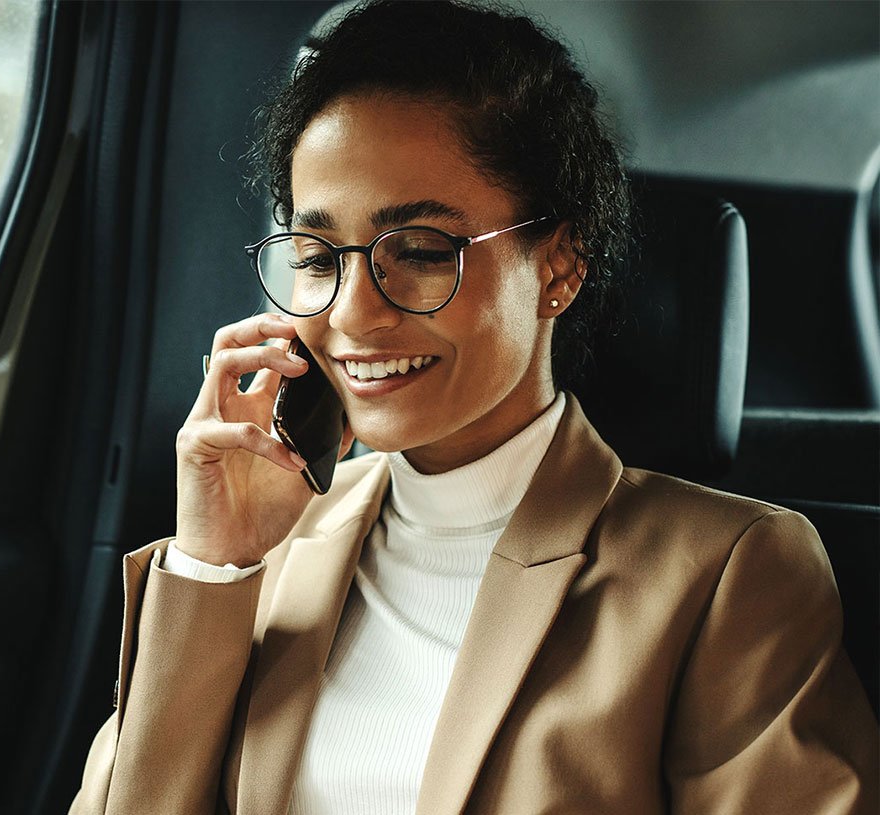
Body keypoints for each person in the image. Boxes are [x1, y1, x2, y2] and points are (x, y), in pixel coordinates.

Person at [70, 2, 878, 813]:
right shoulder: (266, 546)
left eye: (420, 251)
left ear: (559, 265)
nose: (351, 311)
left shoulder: (730, 574)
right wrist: (215, 564)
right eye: (317, 258)